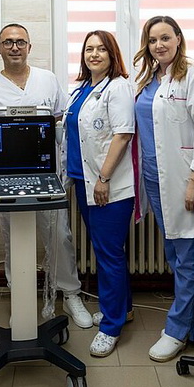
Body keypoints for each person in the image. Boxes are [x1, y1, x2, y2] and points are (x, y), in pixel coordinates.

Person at [0, 23, 92, 329]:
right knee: (13, 238)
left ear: (29, 47)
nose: (14, 47)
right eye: (8, 42)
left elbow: (61, 121)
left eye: (20, 42)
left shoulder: (47, 80)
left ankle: (70, 293)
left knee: (59, 235)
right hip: (7, 176)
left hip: (47, 173)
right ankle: (19, 297)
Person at [132, 16, 194, 362]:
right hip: (155, 178)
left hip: (184, 179)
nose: (159, 45)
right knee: (174, 251)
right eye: (153, 40)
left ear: (179, 39)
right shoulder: (149, 79)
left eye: (165, 38)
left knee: (186, 256)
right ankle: (193, 323)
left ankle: (178, 329)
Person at [62, 30, 136, 357]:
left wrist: (104, 177)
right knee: (105, 251)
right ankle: (123, 309)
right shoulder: (83, 89)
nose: (94, 54)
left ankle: (111, 327)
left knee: (108, 255)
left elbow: (123, 135)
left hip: (108, 185)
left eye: (101, 49)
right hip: (83, 180)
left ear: (112, 54)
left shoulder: (117, 87)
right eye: (89, 49)